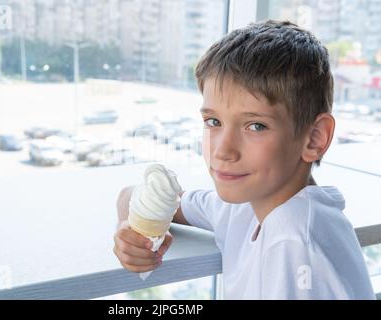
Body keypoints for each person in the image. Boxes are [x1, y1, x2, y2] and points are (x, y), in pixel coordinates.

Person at [113, 20, 375, 299]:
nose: (222, 151)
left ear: (314, 138)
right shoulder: (245, 207)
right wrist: (131, 232)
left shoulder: (293, 242)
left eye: (255, 126)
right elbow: (134, 196)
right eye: (213, 121)